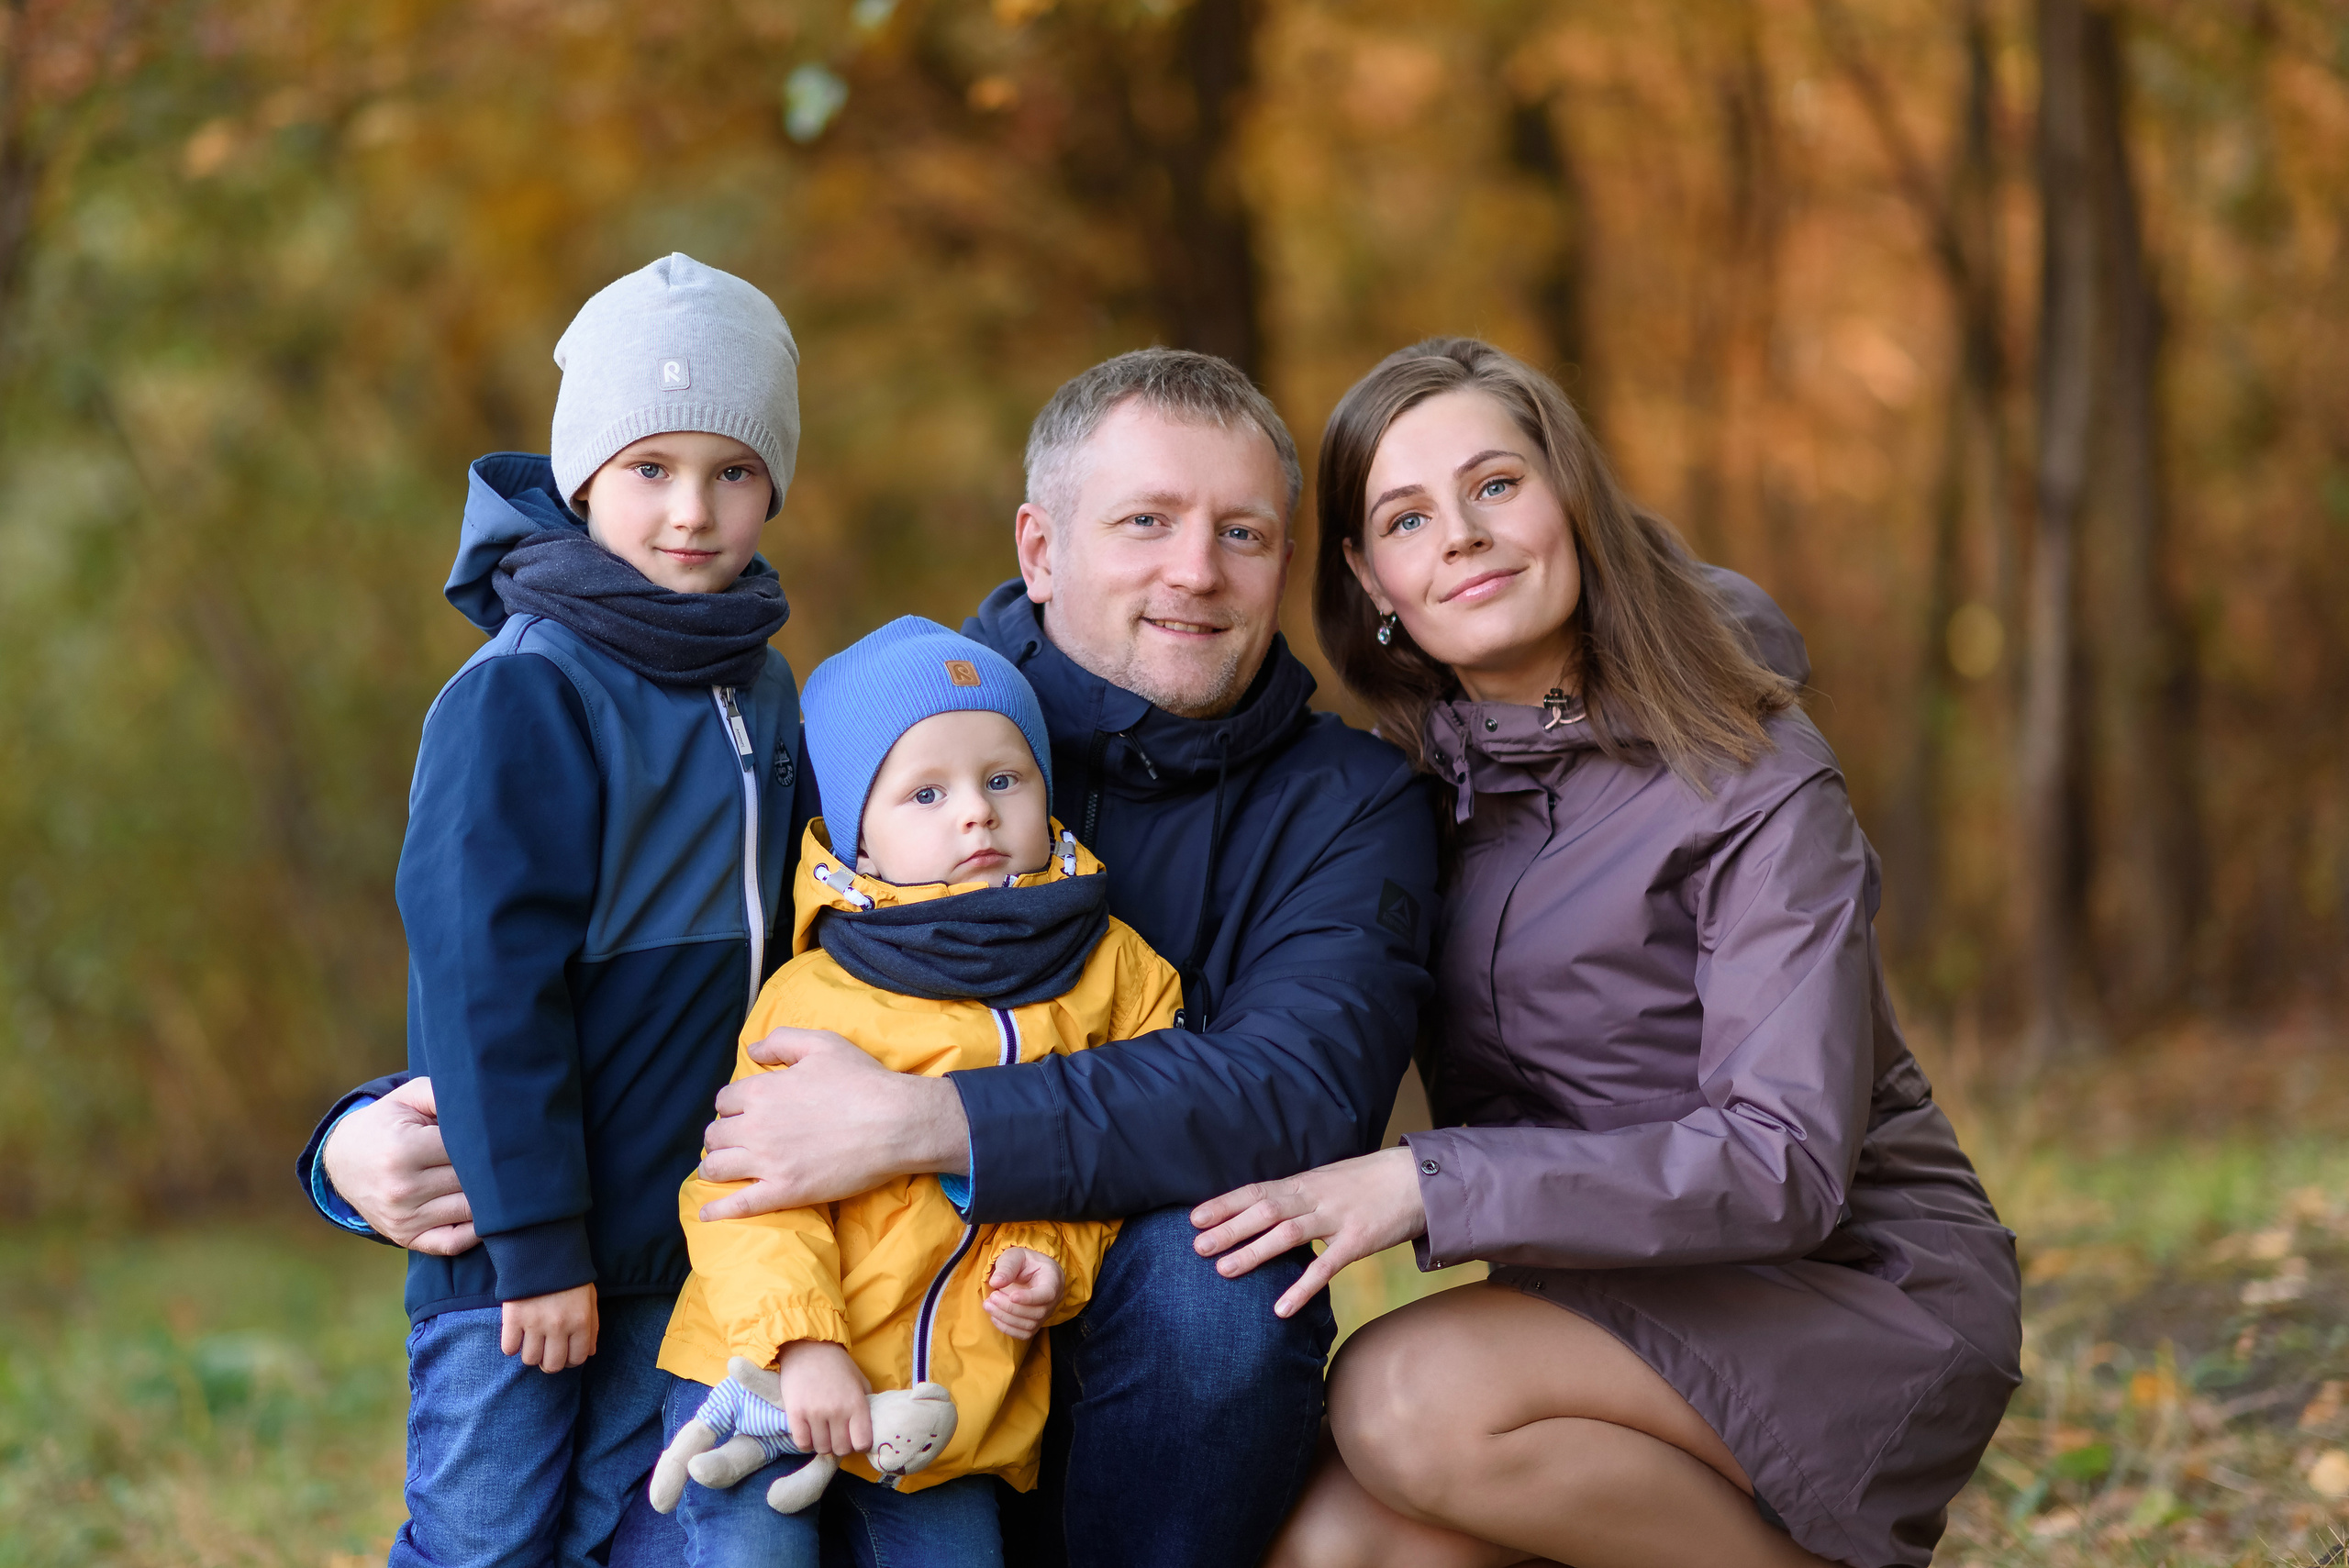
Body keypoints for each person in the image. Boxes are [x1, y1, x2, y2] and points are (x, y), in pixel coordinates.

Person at [306, 348, 1442, 1567]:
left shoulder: (1350, 802)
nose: (1195, 569)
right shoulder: (891, 729)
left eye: (1243, 533)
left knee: (1220, 1281)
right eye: (1146, 521)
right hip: (852, 1351)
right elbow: (685, 977)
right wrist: (358, 1137)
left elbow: (1300, 1094)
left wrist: (928, 1120)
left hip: (1092, 1345)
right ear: (1041, 548)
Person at [1193, 337, 2023, 1568]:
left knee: (1407, 1398)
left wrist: (1429, 1180)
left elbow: (1782, 1161)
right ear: (1374, 580)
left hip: (1845, 1279)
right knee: (1338, 1548)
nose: (1463, 536)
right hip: (1611, 1289)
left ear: (1571, 496)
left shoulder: (1749, 772)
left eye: (1495, 486)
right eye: (1409, 517)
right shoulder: (1416, 796)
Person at [295, 253, 807, 1568]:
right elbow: (482, 985)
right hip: (523, 1243)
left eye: (732, 472)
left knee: (615, 1533)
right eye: (650, 469)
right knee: (486, 1539)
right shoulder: (524, 690)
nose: (691, 510)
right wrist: (533, 1244)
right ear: (585, 478)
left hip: (682, 1236)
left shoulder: (763, 686)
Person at [653, 616, 1183, 1565]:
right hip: (770, 1372)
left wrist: (1047, 1255)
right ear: (859, 833)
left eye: (1002, 779)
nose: (974, 813)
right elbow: (741, 1193)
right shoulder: (818, 990)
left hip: (943, 1420)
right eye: (926, 792)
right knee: (746, 1553)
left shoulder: (1122, 975)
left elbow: (1124, 1147)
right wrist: (800, 1346)